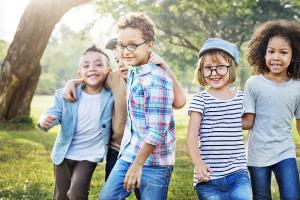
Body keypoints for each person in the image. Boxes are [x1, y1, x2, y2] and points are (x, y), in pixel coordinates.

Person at [97, 12, 177, 200]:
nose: (126, 51)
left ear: (149, 46)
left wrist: (137, 164)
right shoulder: (134, 71)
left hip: (155, 162)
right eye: (122, 45)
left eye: (132, 45)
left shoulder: (156, 78)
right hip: (129, 153)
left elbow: (157, 130)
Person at [38, 45, 114, 200]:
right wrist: (44, 120)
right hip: (64, 153)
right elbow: (53, 113)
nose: (92, 68)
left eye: (99, 64)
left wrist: (74, 80)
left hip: (89, 154)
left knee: (76, 193)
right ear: (80, 73)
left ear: (108, 71)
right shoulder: (65, 94)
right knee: (60, 196)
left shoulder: (111, 96)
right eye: (86, 66)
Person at [186, 38, 252, 200]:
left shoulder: (242, 98)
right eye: (208, 68)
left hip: (238, 172)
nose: (214, 73)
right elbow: (192, 136)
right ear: (201, 71)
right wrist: (199, 164)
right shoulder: (200, 99)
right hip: (208, 177)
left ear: (231, 68)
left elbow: (248, 123)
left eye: (221, 67)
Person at [243, 20, 300, 200]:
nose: (276, 57)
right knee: (261, 197)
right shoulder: (253, 84)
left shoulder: (297, 87)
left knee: (292, 196)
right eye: (271, 51)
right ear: (262, 53)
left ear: (294, 55)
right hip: (257, 154)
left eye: (283, 52)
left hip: (285, 151)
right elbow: (248, 121)